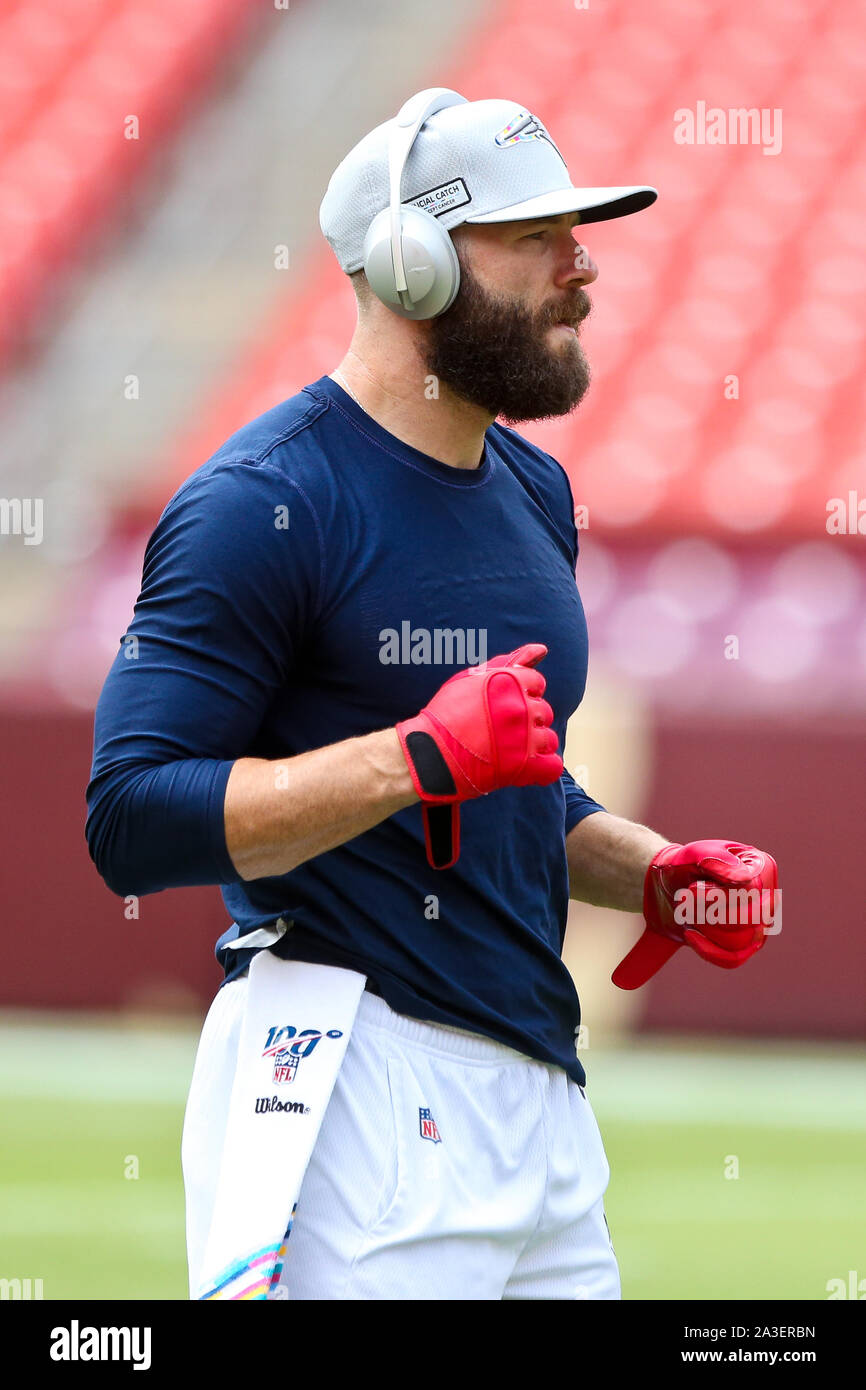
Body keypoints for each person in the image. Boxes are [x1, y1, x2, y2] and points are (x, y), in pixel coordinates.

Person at [86, 90, 777, 1301]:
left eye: (577, 235)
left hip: (537, 1093)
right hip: (351, 1082)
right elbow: (132, 818)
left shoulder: (531, 488)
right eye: (534, 240)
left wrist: (649, 869)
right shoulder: (257, 504)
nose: (582, 269)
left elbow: (511, 786)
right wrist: (409, 757)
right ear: (408, 267)